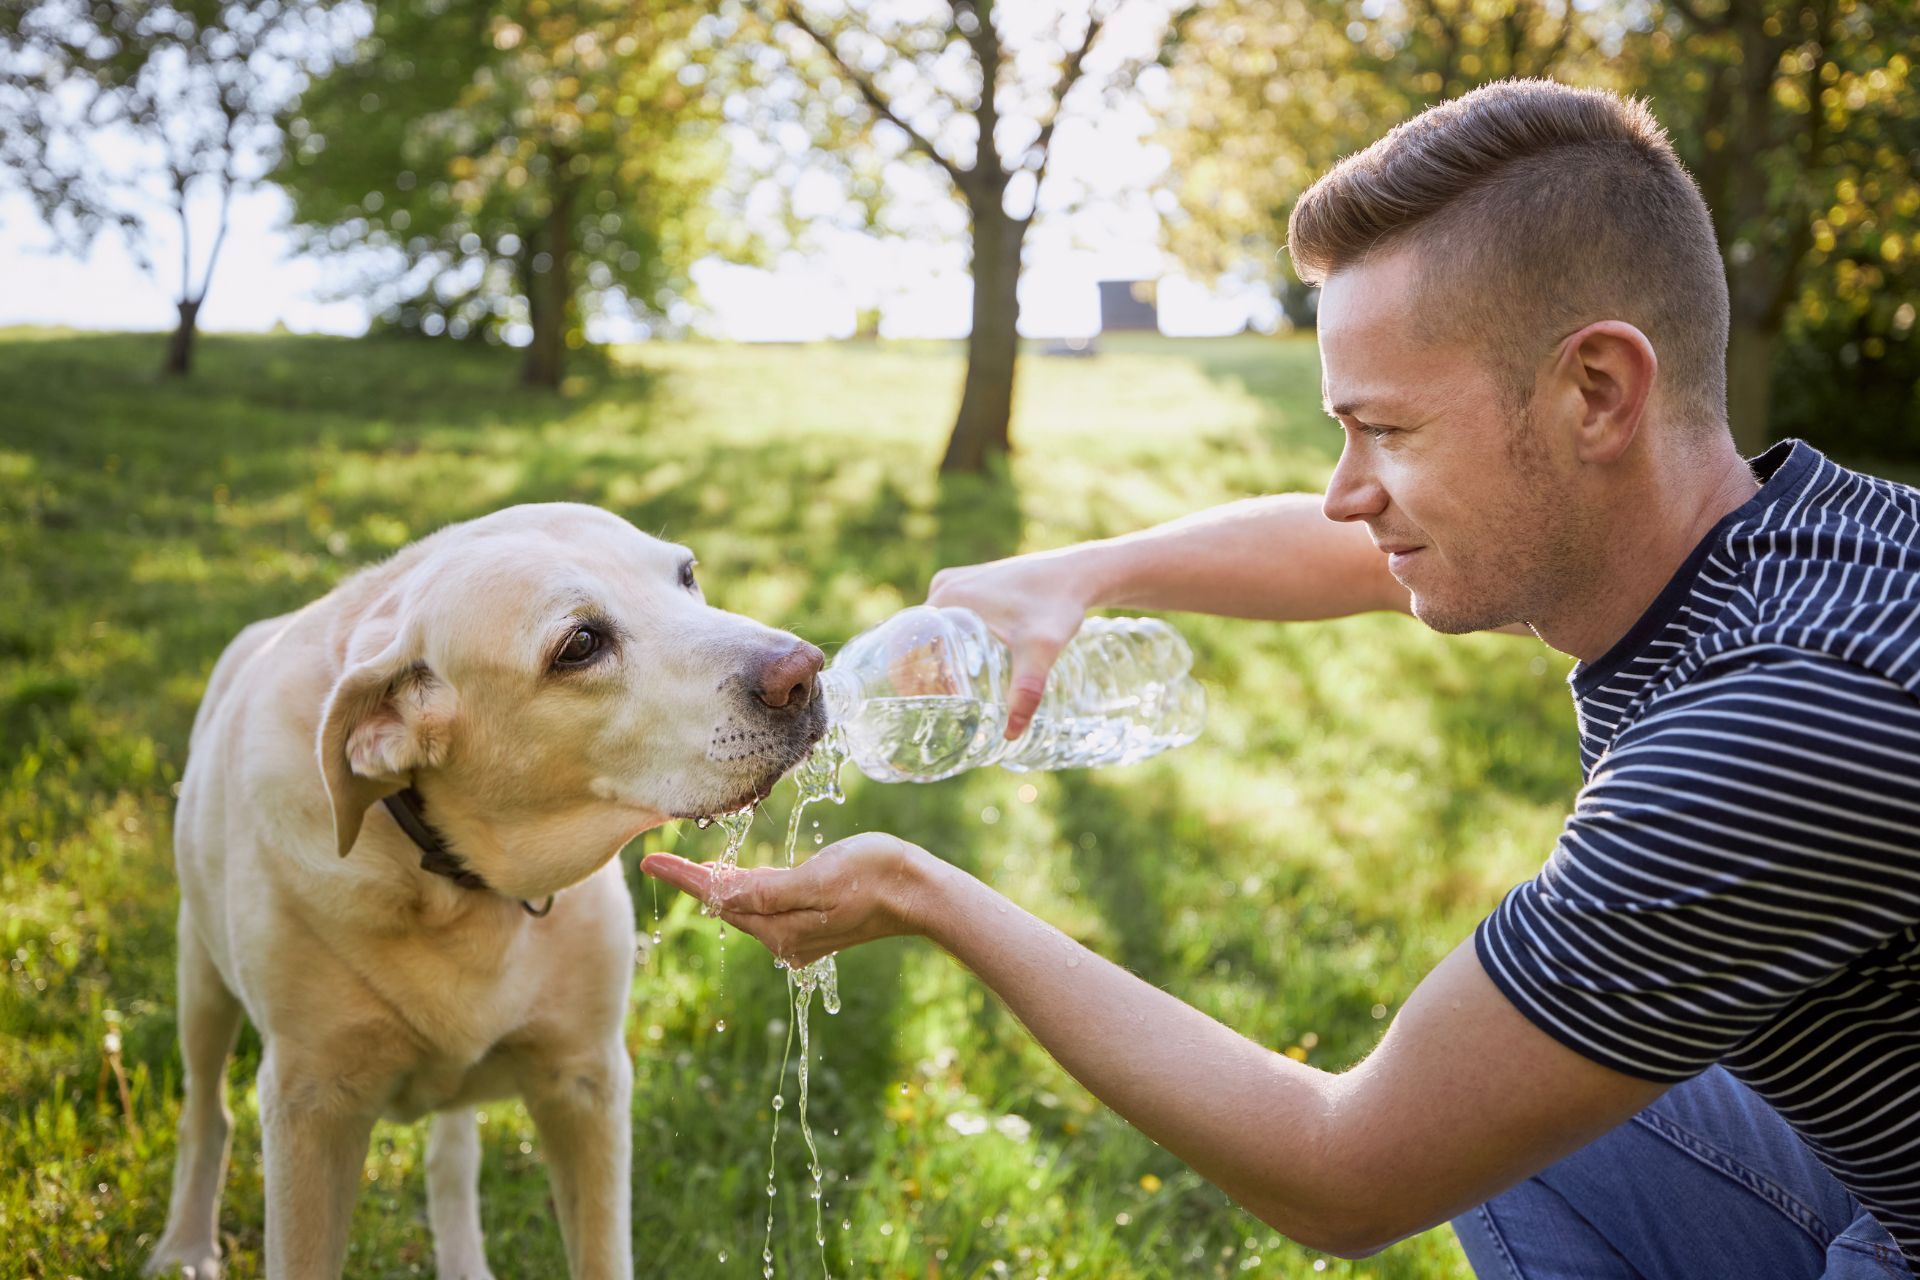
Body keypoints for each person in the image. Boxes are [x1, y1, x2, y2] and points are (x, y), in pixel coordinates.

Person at [643, 79, 1920, 1278]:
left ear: (1597, 389)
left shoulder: (1771, 729)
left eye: (1391, 428)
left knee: (1459, 1104)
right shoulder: (1795, 539)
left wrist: (928, 894)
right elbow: (1360, 549)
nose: (1347, 489)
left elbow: (1346, 1171)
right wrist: (1088, 569)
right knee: (1518, 1084)